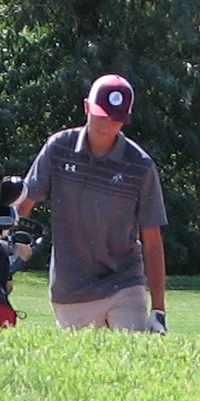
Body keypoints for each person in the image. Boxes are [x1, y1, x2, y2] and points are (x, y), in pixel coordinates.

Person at [15, 74, 168, 333]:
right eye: (101, 113)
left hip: (124, 281)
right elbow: (25, 202)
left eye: (116, 117)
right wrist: (12, 243)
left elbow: (152, 240)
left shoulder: (140, 166)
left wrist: (159, 310)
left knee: (130, 357)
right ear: (86, 107)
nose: (107, 123)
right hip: (71, 289)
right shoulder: (58, 148)